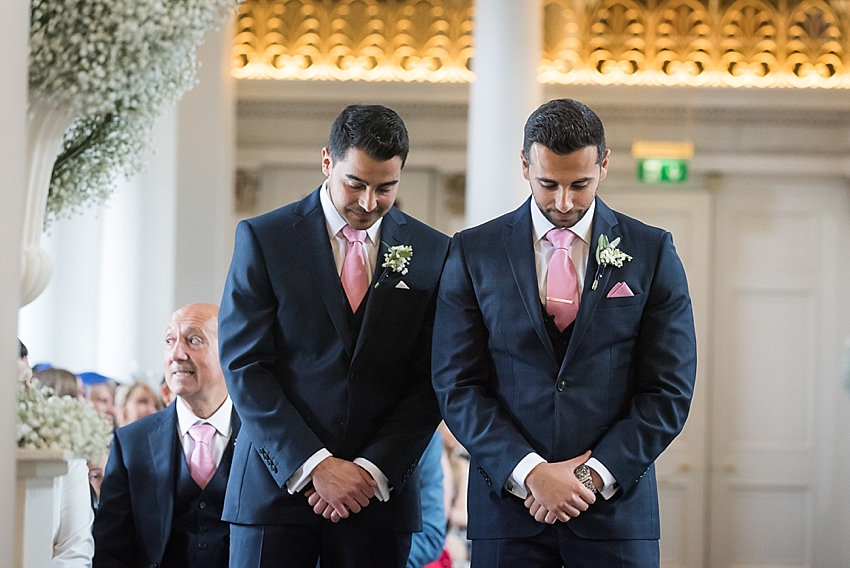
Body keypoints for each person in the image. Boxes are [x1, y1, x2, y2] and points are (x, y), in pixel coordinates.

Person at [431, 98, 697, 567]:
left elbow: (668, 391)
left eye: (580, 185)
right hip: (507, 516)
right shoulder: (473, 252)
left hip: (615, 519)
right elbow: (457, 385)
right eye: (548, 183)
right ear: (524, 165)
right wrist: (530, 473)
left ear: (605, 164)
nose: (563, 202)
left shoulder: (651, 252)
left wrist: (591, 478)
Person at [219, 104, 451, 568]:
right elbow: (245, 366)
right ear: (328, 162)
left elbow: (434, 376)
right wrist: (314, 466)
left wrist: (370, 471)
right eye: (356, 183)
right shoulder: (265, 239)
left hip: (376, 500)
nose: (368, 202)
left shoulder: (434, 251)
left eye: (386, 188)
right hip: (275, 493)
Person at [93, 303, 240, 568]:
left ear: (229, 350)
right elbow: (110, 549)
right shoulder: (131, 443)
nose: (177, 354)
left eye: (193, 340)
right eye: (170, 340)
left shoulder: (263, 436)